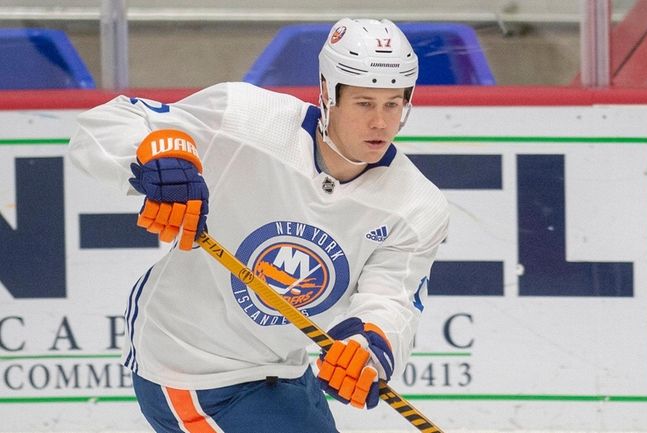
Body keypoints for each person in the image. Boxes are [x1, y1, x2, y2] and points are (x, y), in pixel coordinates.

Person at [68, 17, 448, 433]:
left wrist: (367, 348)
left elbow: (392, 298)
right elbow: (103, 127)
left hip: (282, 368)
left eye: (392, 104)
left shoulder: (417, 206)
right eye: (364, 103)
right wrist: (156, 155)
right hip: (189, 366)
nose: (380, 122)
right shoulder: (246, 119)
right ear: (327, 93)